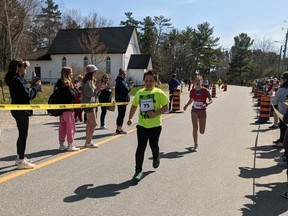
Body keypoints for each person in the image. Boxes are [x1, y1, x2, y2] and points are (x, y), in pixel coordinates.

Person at [127, 70, 169, 182]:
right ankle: (138, 171)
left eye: (151, 80)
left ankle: (156, 157)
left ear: (155, 81)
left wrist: (155, 113)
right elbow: (134, 106)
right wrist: (130, 118)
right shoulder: (139, 93)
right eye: (146, 80)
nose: (148, 83)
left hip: (155, 126)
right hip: (142, 125)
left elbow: (166, 107)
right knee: (140, 147)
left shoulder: (159, 92)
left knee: (153, 145)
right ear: (143, 81)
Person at [4, 59, 41, 169]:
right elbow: (28, 95)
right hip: (21, 110)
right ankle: (20, 161)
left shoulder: (16, 79)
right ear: (18, 68)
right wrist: (35, 87)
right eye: (24, 67)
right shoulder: (17, 80)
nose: (25, 69)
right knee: (23, 135)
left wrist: (25, 66)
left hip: (18, 109)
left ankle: (20, 156)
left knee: (22, 134)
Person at [183, 75, 213, 152]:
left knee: (202, 131)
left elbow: (211, 100)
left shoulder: (205, 91)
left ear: (202, 82)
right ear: (194, 82)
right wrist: (186, 105)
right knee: (195, 128)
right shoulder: (192, 91)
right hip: (194, 111)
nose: (197, 82)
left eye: (199, 81)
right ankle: (195, 145)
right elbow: (191, 99)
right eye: (196, 80)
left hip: (202, 111)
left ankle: (197, 141)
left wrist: (206, 104)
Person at [55, 67, 80, 151]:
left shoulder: (58, 83)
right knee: (70, 127)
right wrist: (76, 88)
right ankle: (70, 144)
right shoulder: (66, 83)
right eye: (71, 73)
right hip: (68, 108)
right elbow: (71, 95)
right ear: (68, 74)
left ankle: (61, 144)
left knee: (62, 127)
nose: (72, 74)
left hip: (60, 109)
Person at [81, 64, 103, 148]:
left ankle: (88, 141)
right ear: (91, 72)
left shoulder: (90, 81)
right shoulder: (87, 82)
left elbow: (94, 94)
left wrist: (99, 89)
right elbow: (90, 94)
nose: (96, 72)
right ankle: (88, 142)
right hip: (89, 105)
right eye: (95, 71)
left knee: (90, 124)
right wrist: (98, 88)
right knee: (94, 124)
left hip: (92, 104)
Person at [115, 68, 134, 134]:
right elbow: (125, 90)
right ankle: (119, 129)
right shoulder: (120, 81)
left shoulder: (122, 81)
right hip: (121, 101)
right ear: (121, 74)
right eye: (124, 74)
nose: (125, 76)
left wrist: (128, 86)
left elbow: (125, 88)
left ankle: (119, 128)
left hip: (122, 101)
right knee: (121, 115)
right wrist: (130, 87)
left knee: (121, 114)